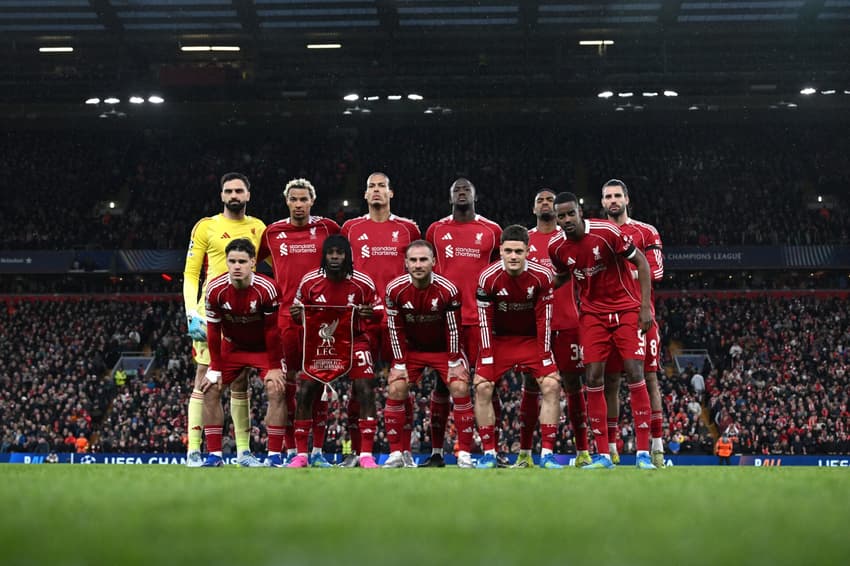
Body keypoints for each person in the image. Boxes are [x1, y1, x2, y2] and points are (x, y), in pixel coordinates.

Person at [549, 192, 656, 470]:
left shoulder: (608, 232)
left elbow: (642, 262)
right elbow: (561, 274)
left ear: (579, 212)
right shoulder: (557, 247)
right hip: (592, 316)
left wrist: (644, 307)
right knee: (593, 377)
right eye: (561, 216)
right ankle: (603, 456)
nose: (566, 219)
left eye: (571, 213)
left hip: (626, 310)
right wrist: (540, 284)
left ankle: (643, 454)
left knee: (635, 372)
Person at [183, 172, 266, 468]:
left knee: (241, 380)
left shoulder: (259, 228)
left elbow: (270, 267)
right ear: (221, 196)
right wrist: (192, 312)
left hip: (244, 315)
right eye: (228, 191)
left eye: (239, 191)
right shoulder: (206, 227)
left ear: (248, 195)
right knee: (205, 378)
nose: (234, 195)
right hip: (211, 312)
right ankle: (194, 449)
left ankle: (244, 452)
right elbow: (191, 273)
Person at [259, 177, 340, 466]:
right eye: (293, 199)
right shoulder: (272, 233)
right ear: (286, 201)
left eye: (303, 199)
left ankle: (317, 451)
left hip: (321, 319)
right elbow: (263, 263)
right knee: (289, 385)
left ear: (312, 201)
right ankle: (294, 450)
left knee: (320, 384)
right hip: (286, 318)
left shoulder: (328, 228)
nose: (298, 204)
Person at [341, 172, 420, 467]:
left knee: (402, 383)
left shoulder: (408, 229)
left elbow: (417, 269)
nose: (376, 191)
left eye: (381, 187)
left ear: (391, 193)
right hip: (361, 318)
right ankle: (356, 451)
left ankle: (405, 449)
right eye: (371, 186)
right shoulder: (351, 228)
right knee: (359, 385)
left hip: (398, 319)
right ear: (365, 195)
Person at [286, 234, 383, 468]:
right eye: (331, 253)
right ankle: (301, 455)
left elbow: (379, 309)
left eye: (340, 253)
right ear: (324, 256)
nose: (335, 257)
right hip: (321, 346)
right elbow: (296, 309)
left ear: (347, 255)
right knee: (306, 389)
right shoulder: (310, 281)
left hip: (355, 340)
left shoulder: (362, 282)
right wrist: (296, 315)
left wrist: (372, 314)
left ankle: (366, 455)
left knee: (365, 388)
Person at [425, 178, 503, 467]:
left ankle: (492, 451)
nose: (460, 192)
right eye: (455, 189)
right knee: (443, 386)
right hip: (446, 321)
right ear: (449, 197)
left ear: (474, 195)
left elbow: (498, 273)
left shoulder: (492, 231)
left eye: (466, 189)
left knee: (486, 384)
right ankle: (436, 452)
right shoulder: (436, 230)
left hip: (480, 320)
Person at [474, 225, 561, 469]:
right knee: (482, 387)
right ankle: (489, 454)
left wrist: (544, 354)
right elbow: (484, 321)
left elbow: (545, 318)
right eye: (509, 251)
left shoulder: (542, 276)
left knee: (552, 385)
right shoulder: (487, 278)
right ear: (500, 250)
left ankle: (546, 454)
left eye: (519, 251)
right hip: (499, 340)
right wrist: (488, 356)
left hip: (531, 340)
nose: (513, 256)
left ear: (528, 251)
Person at [384, 240, 474, 468]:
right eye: (413, 260)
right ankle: (396, 454)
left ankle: (464, 454)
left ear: (434, 262)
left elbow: (454, 328)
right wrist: (400, 364)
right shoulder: (395, 290)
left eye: (423, 259)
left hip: (444, 350)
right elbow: (395, 329)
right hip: (413, 350)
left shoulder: (448, 290)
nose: (418, 265)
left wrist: (454, 361)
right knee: (396, 386)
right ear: (405, 263)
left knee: (460, 386)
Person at [198, 238, 285, 467]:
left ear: (253, 263)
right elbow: (213, 329)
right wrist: (215, 367)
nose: (237, 266)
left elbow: (272, 330)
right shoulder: (215, 290)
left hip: (264, 349)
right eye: (232, 261)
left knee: (277, 389)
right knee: (209, 389)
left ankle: (274, 456)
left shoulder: (267, 288)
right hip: (232, 347)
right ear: (226, 262)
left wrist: (275, 366)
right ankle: (215, 456)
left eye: (242, 261)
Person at [600, 179, 667, 467]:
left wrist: (619, 278)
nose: (613, 200)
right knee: (610, 382)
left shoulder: (645, 232)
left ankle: (657, 447)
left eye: (617, 195)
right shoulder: (598, 234)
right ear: (602, 202)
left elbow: (656, 271)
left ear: (627, 199)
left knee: (648, 378)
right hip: (606, 317)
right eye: (608, 196)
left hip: (640, 315)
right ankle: (611, 448)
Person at [525, 189, 591, 468]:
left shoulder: (569, 239)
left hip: (567, 323)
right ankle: (525, 453)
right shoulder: (524, 240)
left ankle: (583, 452)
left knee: (574, 386)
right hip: (533, 326)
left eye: (549, 200)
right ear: (533, 208)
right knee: (530, 387)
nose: (545, 204)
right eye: (539, 199)